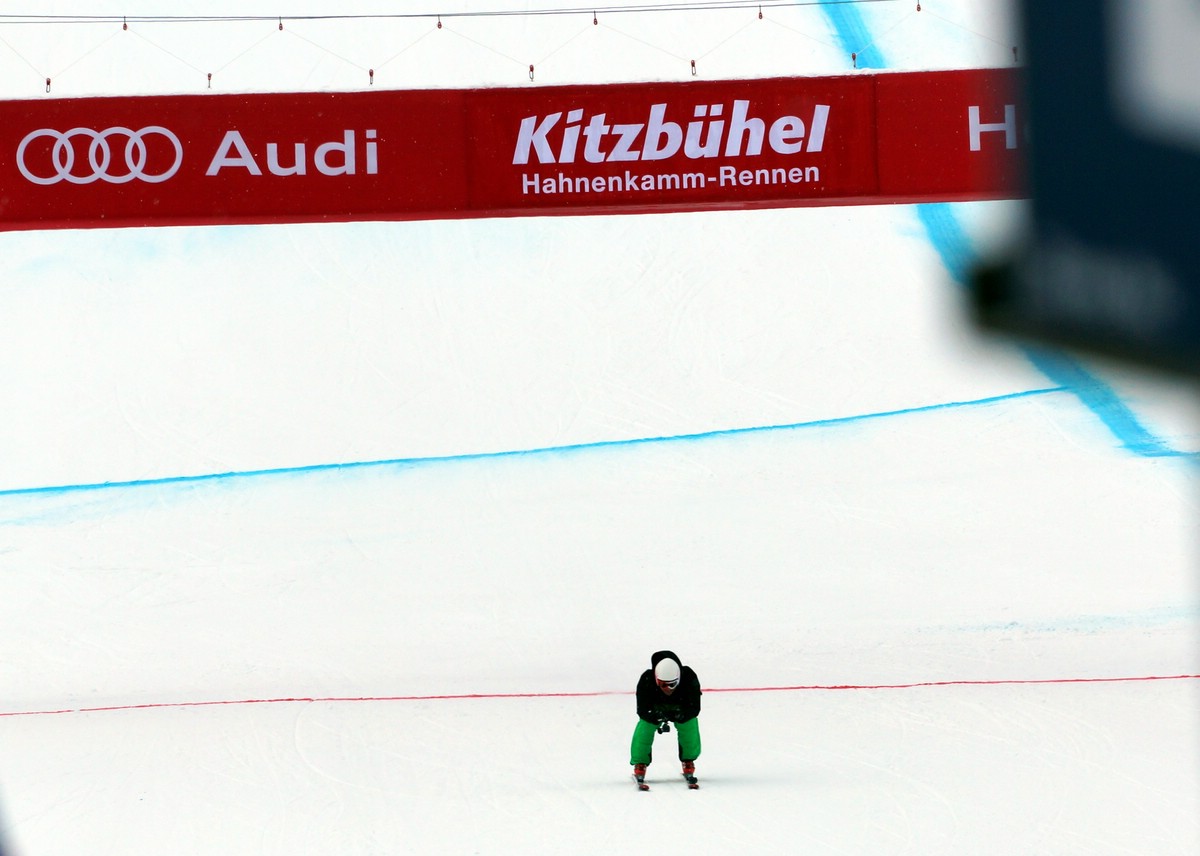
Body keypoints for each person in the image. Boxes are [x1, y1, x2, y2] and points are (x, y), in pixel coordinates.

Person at [630, 650, 701, 783]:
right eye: (662, 684)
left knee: (690, 725)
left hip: (681, 708)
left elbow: (695, 706)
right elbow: (642, 708)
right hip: (655, 709)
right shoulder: (646, 679)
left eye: (672, 684)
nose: (667, 688)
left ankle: (688, 760)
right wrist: (653, 715)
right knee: (644, 728)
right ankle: (640, 763)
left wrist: (683, 714)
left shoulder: (689, 677)